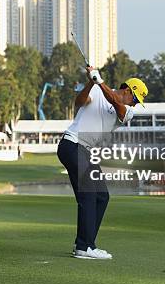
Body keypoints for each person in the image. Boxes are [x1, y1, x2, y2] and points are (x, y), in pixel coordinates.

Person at [57, 67, 147, 260]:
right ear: (128, 90)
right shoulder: (96, 90)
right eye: (136, 99)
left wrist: (98, 81)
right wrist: (91, 82)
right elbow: (79, 102)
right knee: (88, 195)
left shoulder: (128, 111)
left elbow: (115, 103)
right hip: (72, 144)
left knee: (102, 196)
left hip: (85, 151)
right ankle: (83, 247)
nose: (136, 104)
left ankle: (87, 244)